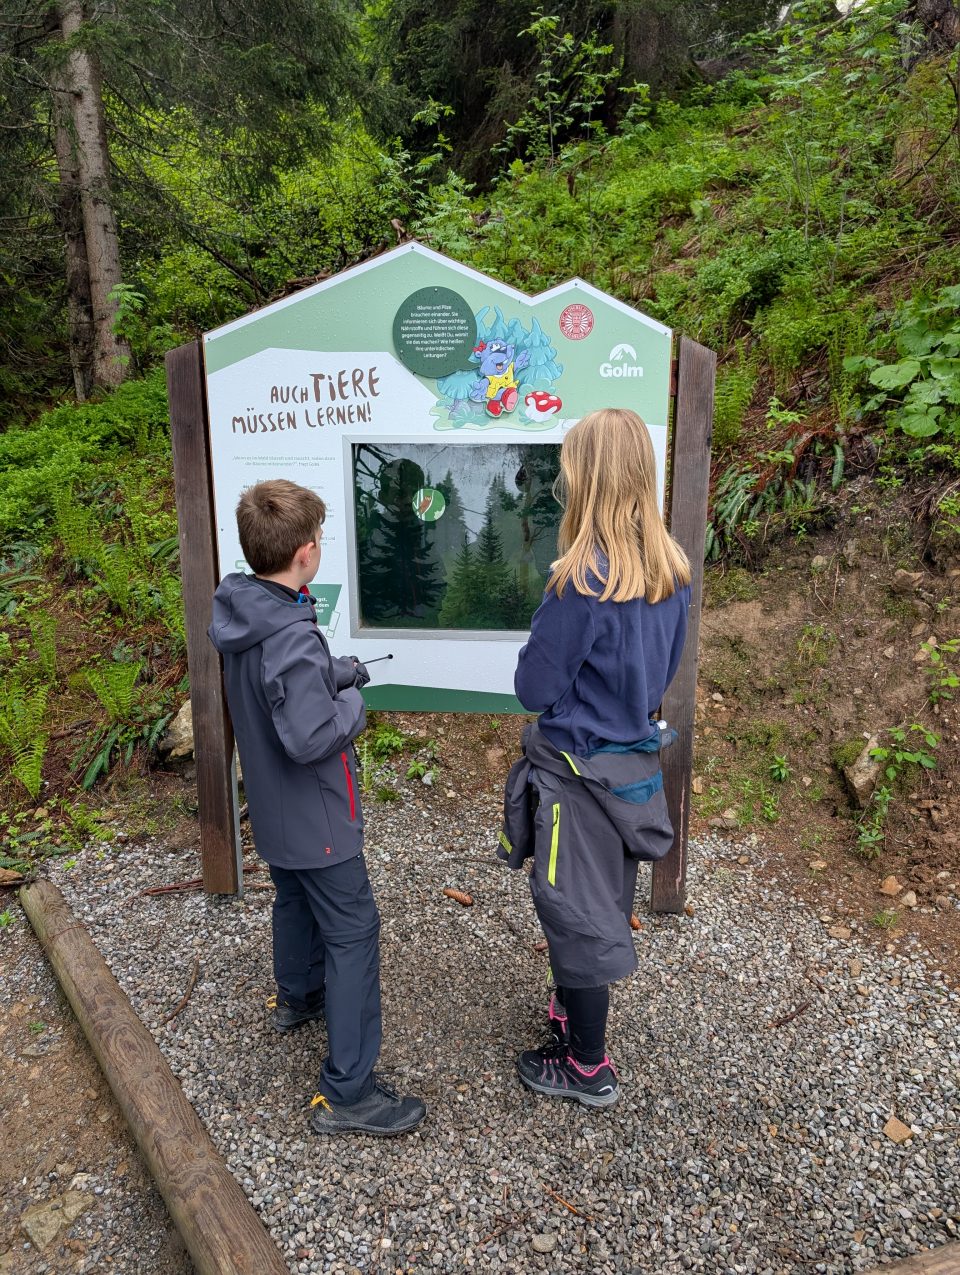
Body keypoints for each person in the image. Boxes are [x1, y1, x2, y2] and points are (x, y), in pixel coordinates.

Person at [208, 478, 425, 1137]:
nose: (321, 547)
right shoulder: (292, 635)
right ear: (305, 554)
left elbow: (278, 685)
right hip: (321, 820)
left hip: (276, 816)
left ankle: (298, 996)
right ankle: (349, 1091)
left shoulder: (246, 610)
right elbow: (310, 734)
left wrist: (334, 671)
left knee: (292, 900)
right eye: (320, 539)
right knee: (354, 933)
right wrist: (353, 703)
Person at [499, 408, 691, 1108]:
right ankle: (568, 1012)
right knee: (601, 897)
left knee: (575, 911)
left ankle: (586, 1066)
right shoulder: (670, 572)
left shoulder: (579, 581)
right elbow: (663, 669)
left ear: (588, 480)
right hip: (629, 771)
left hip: (574, 776)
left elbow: (533, 686)